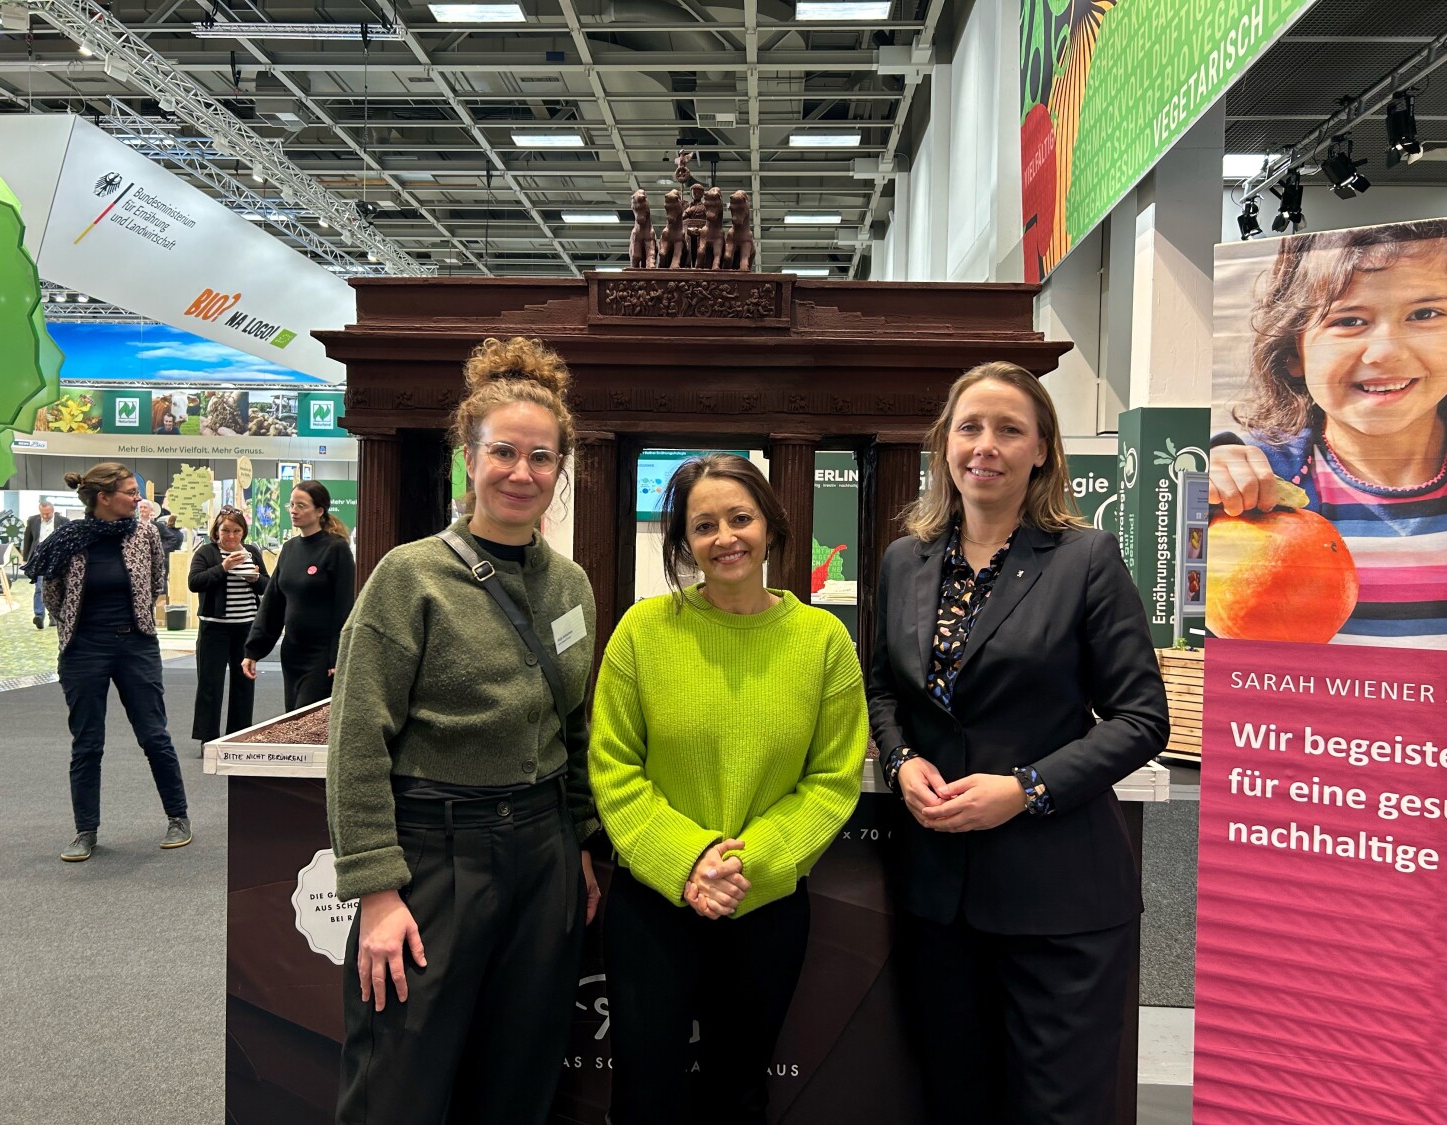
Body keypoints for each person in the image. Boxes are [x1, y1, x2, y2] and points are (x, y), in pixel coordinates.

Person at [867, 362, 1168, 1123]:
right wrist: (900, 760)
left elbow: (1140, 718)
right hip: (939, 897)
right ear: (945, 443)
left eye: (1009, 430)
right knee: (953, 1103)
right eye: (970, 427)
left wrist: (1025, 788)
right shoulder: (905, 560)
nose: (986, 446)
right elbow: (882, 688)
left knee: (1055, 1110)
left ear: (1041, 450)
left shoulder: (1085, 559)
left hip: (1058, 895)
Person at [326, 336, 599, 1124]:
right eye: (503, 451)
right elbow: (357, 740)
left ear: (560, 469)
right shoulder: (408, 576)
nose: (521, 471)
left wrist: (579, 839)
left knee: (518, 1081)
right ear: (468, 457)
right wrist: (377, 889)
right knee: (398, 1085)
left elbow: (571, 724)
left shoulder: (571, 586)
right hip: (432, 856)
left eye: (541, 457)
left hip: (543, 855)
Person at [590, 454, 869, 1125]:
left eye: (740, 518)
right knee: (643, 1099)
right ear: (684, 542)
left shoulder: (823, 641)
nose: (725, 537)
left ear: (770, 526)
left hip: (764, 901)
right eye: (704, 524)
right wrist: (689, 861)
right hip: (653, 901)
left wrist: (744, 865)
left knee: (739, 1097)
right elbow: (613, 766)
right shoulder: (642, 631)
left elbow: (832, 779)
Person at [1211, 220, 1447, 646]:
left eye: (1425, 314)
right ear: (1293, 352)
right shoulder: (1266, 480)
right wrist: (1208, 481)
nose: (1385, 352)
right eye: (1349, 320)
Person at [24, 463, 192, 863]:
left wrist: (136, 622)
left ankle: (178, 817)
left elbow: (155, 582)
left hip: (136, 646)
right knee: (87, 743)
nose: (137, 498)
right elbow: (53, 596)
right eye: (130, 492)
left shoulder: (145, 534)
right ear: (103, 497)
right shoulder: (68, 540)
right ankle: (85, 831)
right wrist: (78, 630)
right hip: (84, 650)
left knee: (154, 735)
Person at [241, 481, 355, 711]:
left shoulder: (336, 549)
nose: (294, 510)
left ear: (319, 511)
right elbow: (272, 604)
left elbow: (344, 608)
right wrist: (253, 650)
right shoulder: (290, 548)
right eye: (291, 505)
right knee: (293, 718)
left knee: (307, 718)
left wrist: (337, 656)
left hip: (321, 655)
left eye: (301, 506)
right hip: (292, 652)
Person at [188, 506, 269, 747]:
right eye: (225, 531)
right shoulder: (206, 552)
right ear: (217, 531)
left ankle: (239, 736)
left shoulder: (252, 552)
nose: (231, 536)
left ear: (243, 532)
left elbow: (268, 586)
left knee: (244, 684)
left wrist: (255, 579)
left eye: (236, 531)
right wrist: (223, 568)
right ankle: (208, 739)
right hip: (214, 629)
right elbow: (195, 582)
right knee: (210, 684)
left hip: (246, 629)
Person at [21, 498, 69, 629]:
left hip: (56, 558)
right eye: (42, 513)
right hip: (39, 558)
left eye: (47, 513)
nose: (45, 516)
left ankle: (53, 615)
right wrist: (26, 558)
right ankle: (39, 615)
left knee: (55, 586)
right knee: (39, 587)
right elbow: (28, 539)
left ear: (53, 511)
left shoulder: (63, 521)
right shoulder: (33, 521)